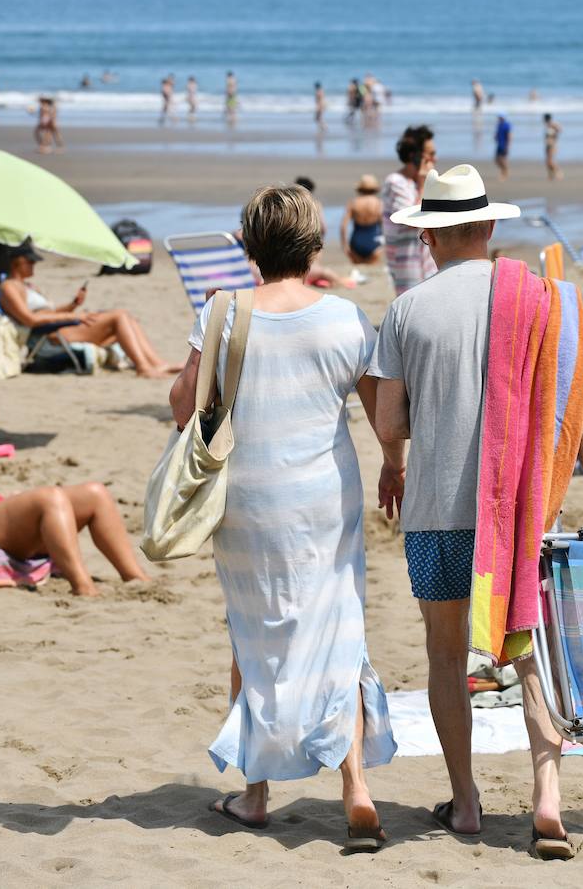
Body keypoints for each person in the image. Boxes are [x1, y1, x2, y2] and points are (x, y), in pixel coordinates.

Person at [371, 163, 583, 859]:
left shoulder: (406, 311)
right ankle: (547, 797)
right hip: (517, 516)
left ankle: (466, 802)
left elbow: (391, 426)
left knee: (447, 655)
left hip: (434, 515)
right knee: (527, 652)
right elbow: (570, 414)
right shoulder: (542, 302)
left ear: (431, 238)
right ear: (487, 227)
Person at [168, 184, 397, 850]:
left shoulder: (222, 313)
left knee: (252, 631)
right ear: (316, 244)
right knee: (339, 629)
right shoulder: (346, 319)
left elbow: (185, 406)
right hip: (324, 498)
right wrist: (395, 464)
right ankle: (356, 787)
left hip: (247, 498)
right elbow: (384, 416)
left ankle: (256, 793)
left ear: (248, 248)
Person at [0, 415, 148, 597]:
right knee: (50, 498)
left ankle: (135, 577)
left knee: (95, 493)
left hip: (4, 520)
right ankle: (84, 587)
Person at [0, 240, 182, 378]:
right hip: (49, 337)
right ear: (16, 261)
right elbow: (30, 320)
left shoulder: (28, 286)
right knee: (119, 316)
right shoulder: (9, 287)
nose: (34, 264)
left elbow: (49, 312)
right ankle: (143, 367)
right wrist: (76, 316)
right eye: (30, 261)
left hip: (60, 326)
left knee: (126, 318)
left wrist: (73, 305)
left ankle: (158, 364)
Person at [382, 124, 438, 296]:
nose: (434, 159)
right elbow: (413, 220)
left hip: (425, 261)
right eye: (430, 154)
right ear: (415, 157)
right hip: (406, 262)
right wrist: (423, 183)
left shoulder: (416, 183)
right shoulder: (396, 182)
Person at [341, 174, 385, 265]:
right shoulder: (378, 203)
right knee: (371, 267)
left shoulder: (353, 203)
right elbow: (384, 225)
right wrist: (385, 243)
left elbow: (343, 226)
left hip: (357, 241)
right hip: (373, 240)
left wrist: (345, 245)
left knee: (358, 269)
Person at [543, 113, 562, 180]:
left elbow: (559, 130)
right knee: (547, 161)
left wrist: (553, 126)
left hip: (552, 145)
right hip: (547, 145)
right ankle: (550, 175)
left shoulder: (552, 124)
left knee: (550, 161)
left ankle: (558, 172)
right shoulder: (547, 126)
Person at [493, 113, 512, 180]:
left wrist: (508, 146)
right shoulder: (499, 125)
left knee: (503, 160)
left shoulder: (507, 125)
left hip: (504, 145)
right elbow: (497, 133)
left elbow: (509, 136)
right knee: (496, 160)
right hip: (499, 144)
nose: (499, 119)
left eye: (500, 117)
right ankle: (503, 171)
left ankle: (505, 172)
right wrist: (495, 137)